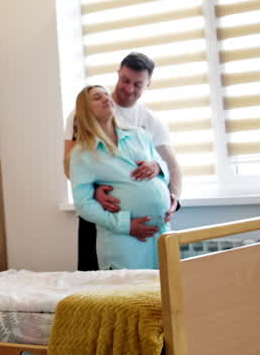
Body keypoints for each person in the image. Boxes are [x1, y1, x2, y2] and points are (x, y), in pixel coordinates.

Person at [63, 52, 182, 271]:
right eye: (125, 81)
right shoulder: (80, 124)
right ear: (118, 74)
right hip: (109, 220)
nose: (129, 89)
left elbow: (171, 165)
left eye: (138, 84)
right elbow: (71, 167)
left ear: (148, 84)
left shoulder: (146, 125)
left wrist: (171, 194)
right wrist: (96, 190)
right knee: (98, 284)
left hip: (157, 229)